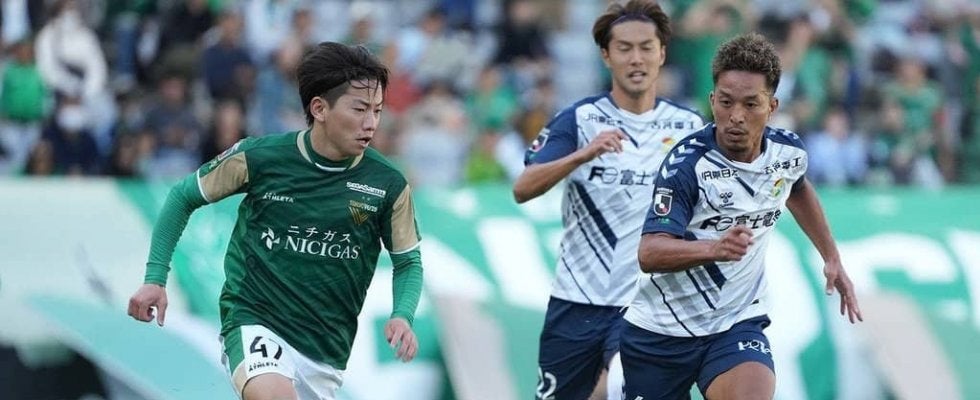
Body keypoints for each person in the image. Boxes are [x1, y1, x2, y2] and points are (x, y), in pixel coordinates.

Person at [127, 42, 424, 400]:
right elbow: (182, 196)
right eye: (360, 109)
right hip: (254, 320)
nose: (371, 123)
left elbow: (408, 262)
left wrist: (402, 314)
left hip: (325, 352)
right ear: (319, 108)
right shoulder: (261, 158)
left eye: (377, 110)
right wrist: (155, 278)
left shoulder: (388, 183)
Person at [621, 33, 863, 400]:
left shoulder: (787, 152)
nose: (736, 116)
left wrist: (831, 256)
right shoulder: (687, 166)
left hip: (735, 322)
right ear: (712, 101)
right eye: (726, 102)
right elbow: (649, 252)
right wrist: (714, 249)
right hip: (661, 331)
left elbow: (798, 188)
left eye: (751, 104)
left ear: (772, 105)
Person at [512, 1, 705, 399]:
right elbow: (523, 187)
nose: (636, 58)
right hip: (577, 299)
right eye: (624, 48)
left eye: (646, 47)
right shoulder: (579, 118)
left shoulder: (689, 127)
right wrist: (582, 155)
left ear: (662, 53)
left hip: (647, 303)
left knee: (622, 387)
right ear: (605, 55)